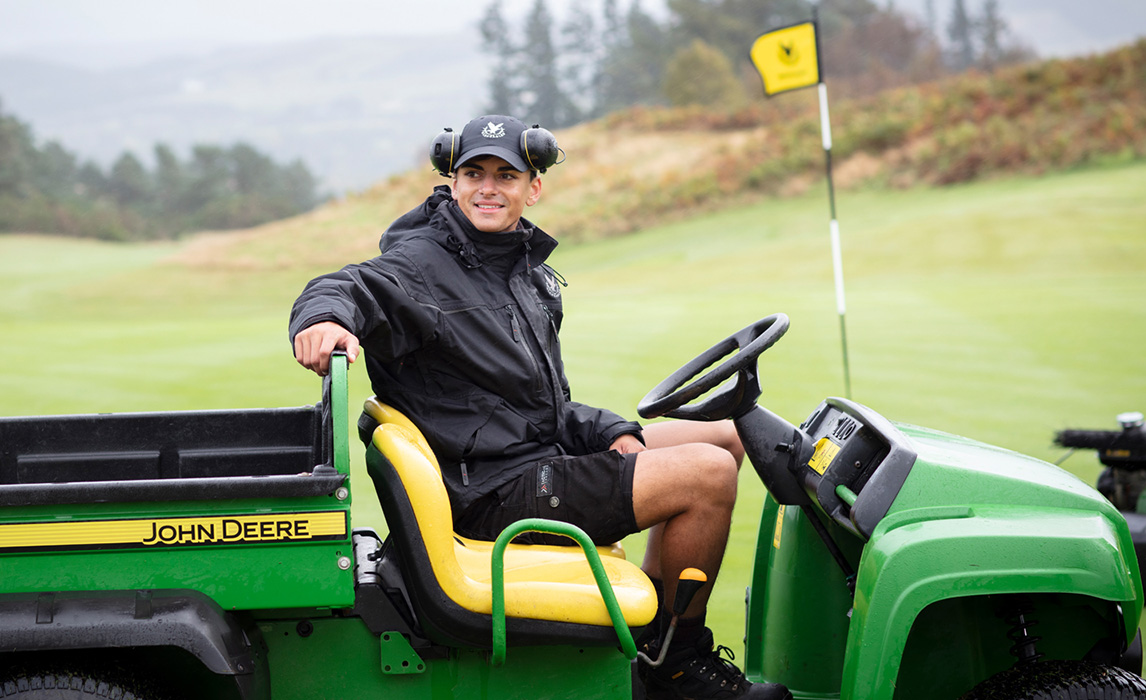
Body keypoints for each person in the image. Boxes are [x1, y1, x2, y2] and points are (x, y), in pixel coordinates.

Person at [290, 114, 790, 700]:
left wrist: (616, 431)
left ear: (534, 188)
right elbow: (346, 286)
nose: (487, 188)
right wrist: (322, 318)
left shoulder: (519, 273)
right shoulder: (422, 265)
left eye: (506, 176)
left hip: (528, 462)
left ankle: (650, 646)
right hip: (489, 494)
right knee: (705, 474)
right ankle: (674, 666)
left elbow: (545, 408)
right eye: (473, 173)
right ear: (452, 181)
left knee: (728, 436)